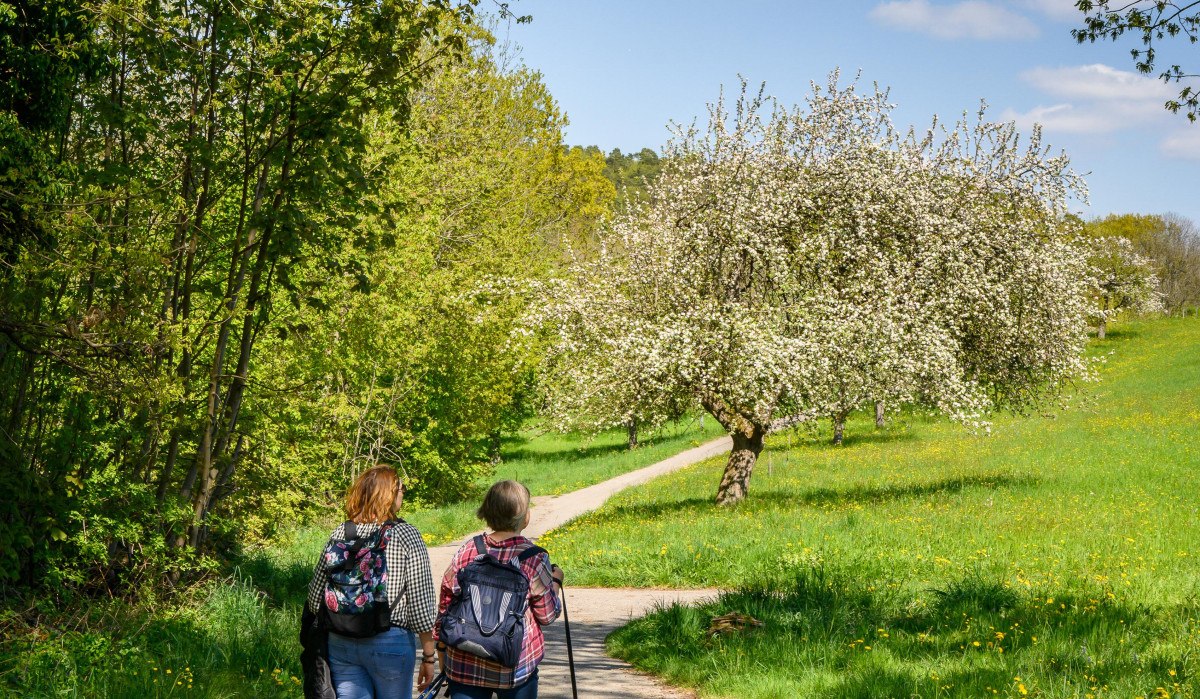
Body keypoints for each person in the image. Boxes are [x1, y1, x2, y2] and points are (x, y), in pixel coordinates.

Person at [306, 464, 437, 699]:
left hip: (341, 642)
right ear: (389, 494)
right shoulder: (406, 534)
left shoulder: (340, 533)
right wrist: (429, 656)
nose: (402, 493)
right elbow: (420, 604)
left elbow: (316, 600)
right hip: (389, 641)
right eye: (400, 488)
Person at [435, 480, 563, 699]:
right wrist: (556, 583)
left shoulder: (468, 550)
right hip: (514, 668)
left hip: (465, 662)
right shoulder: (534, 558)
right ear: (525, 517)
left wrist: (440, 652)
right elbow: (546, 615)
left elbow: (446, 602)